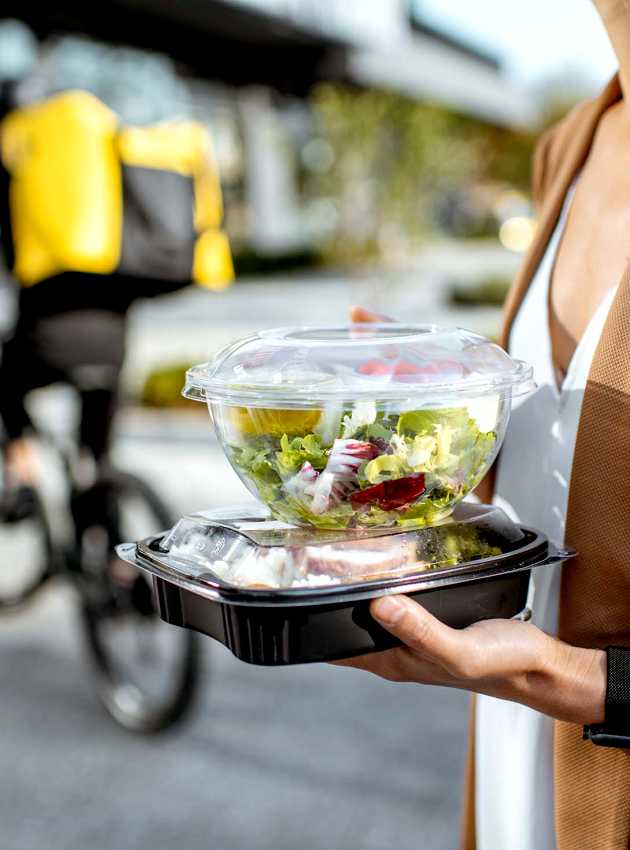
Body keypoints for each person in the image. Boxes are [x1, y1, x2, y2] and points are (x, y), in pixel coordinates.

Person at [341, 2, 630, 849]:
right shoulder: (571, 142)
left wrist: (579, 680)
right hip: (517, 741)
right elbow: (572, 465)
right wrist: (443, 434)